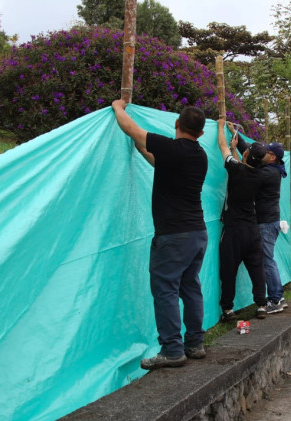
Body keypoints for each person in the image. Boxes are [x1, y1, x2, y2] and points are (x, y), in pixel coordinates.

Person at [112, 99, 208, 370]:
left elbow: (131, 128)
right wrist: (141, 149)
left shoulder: (172, 147)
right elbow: (160, 163)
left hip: (173, 235)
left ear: (176, 124)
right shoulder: (199, 155)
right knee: (190, 287)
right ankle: (194, 344)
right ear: (201, 133)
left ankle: (172, 350)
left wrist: (118, 107)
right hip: (197, 234)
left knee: (165, 289)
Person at [216, 119, 269, 322]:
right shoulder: (260, 176)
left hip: (234, 230)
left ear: (246, 154)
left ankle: (228, 310)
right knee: (256, 267)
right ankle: (261, 305)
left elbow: (222, 147)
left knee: (228, 270)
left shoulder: (236, 170)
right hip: (252, 230)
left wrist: (221, 127)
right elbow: (243, 166)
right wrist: (235, 143)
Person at [236, 135, 287, 314]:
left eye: (267, 151)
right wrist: (237, 137)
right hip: (269, 221)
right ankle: (277, 296)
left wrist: (234, 155)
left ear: (272, 157)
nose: (263, 152)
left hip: (266, 223)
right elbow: (253, 150)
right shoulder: (271, 167)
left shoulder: (268, 173)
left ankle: (276, 299)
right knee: (267, 259)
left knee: (267, 260)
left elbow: (247, 170)